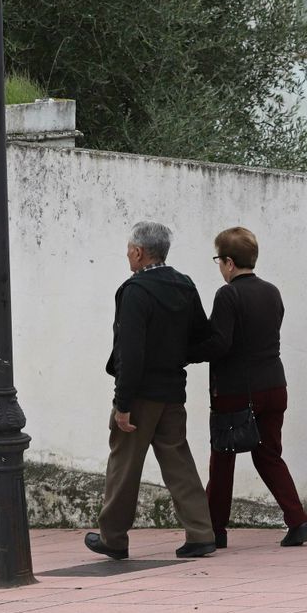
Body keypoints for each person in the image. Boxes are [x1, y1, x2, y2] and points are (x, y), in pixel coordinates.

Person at [85, 221, 219, 561]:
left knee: (124, 465)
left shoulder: (135, 291)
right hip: (172, 390)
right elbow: (201, 338)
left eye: (129, 248)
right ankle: (202, 533)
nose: (127, 254)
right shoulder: (184, 285)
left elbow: (130, 352)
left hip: (141, 394)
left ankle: (113, 537)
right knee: (179, 462)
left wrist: (122, 403)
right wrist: (175, 357)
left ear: (139, 252)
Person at [200, 226, 307, 548]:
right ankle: (298, 521)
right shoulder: (272, 291)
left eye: (219, 260)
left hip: (237, 391)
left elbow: (221, 344)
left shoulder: (228, 294)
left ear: (230, 262)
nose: (219, 267)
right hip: (275, 385)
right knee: (269, 455)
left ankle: (214, 530)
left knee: (223, 458)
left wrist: (187, 353)